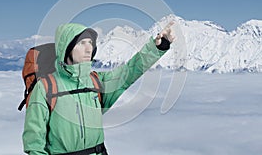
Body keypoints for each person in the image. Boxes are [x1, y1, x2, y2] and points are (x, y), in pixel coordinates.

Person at [22, 21, 175, 155]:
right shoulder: (45, 88)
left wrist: (158, 48)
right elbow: (34, 143)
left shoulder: (96, 82)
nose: (89, 48)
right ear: (67, 48)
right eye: (82, 43)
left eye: (90, 43)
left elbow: (129, 72)